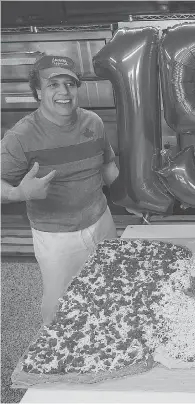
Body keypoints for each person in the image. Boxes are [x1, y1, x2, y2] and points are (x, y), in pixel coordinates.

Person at [1, 55, 120, 325]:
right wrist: (19, 193)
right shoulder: (20, 137)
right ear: (38, 91)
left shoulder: (93, 122)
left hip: (102, 222)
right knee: (61, 306)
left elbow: (107, 166)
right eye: (53, 85)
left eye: (70, 84)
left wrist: (140, 182)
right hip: (57, 237)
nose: (64, 92)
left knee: (108, 287)